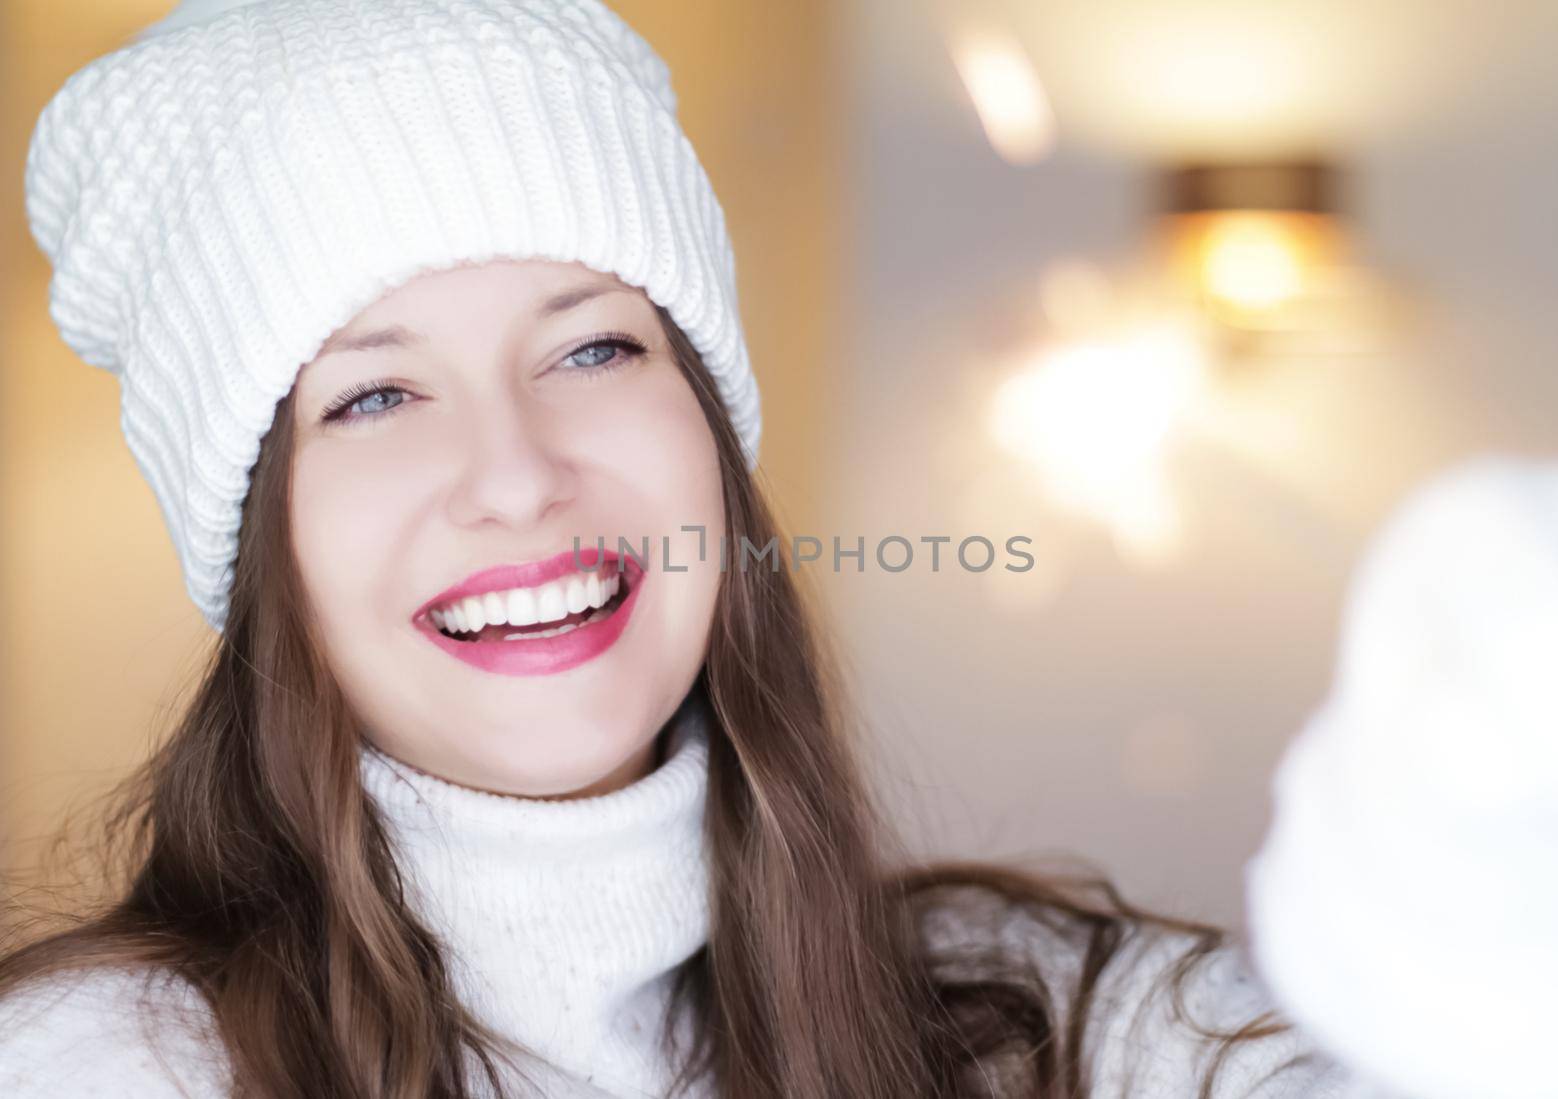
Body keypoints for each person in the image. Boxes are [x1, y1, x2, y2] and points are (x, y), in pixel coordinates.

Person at [0, 1, 1359, 1095]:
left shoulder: (1036, 1023)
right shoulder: (113, 1068)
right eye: (375, 395)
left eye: (592, 346)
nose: (519, 477)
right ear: (261, 544)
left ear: (709, 431)